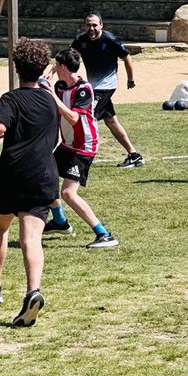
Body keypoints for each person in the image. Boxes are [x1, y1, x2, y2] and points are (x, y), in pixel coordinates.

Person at [0, 38, 59, 326]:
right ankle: (33, 291)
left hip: (12, 173)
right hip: (44, 175)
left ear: (16, 67)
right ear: (43, 67)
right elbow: (56, 138)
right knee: (31, 237)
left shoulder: (11, 99)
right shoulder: (50, 101)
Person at [44, 47, 119, 248]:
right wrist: (50, 74)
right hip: (68, 145)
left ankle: (104, 234)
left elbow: (74, 118)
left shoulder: (83, 89)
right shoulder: (60, 84)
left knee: (68, 193)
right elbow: (54, 70)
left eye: (57, 65)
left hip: (83, 147)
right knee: (44, 176)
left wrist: (52, 95)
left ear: (63, 67)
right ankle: (60, 222)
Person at [71, 14, 144, 167]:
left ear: (101, 25)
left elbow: (127, 58)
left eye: (94, 25)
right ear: (85, 26)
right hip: (94, 87)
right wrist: (52, 72)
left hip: (106, 86)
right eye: (88, 25)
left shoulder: (110, 40)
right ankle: (134, 155)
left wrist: (130, 79)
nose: (91, 28)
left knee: (85, 118)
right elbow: (67, 56)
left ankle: (81, 155)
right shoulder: (81, 40)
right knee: (110, 120)